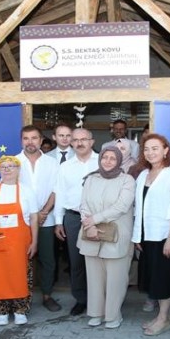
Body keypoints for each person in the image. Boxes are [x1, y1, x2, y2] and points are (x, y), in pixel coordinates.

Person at [133, 134, 170, 336]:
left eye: (155, 148)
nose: (150, 152)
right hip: (148, 236)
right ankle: (161, 316)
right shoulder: (142, 175)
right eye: (147, 148)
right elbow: (139, 208)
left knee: (164, 279)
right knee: (153, 279)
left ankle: (164, 319)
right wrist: (137, 237)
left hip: (167, 237)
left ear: (166, 150)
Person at [78, 146, 135, 329]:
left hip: (117, 235)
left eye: (112, 158)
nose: (108, 161)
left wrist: (94, 220)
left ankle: (113, 315)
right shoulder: (91, 179)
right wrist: (90, 225)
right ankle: (96, 313)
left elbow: (121, 206)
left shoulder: (127, 180)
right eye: (105, 157)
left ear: (119, 161)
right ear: (100, 159)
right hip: (91, 234)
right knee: (94, 278)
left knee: (116, 279)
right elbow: (84, 204)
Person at [0, 156, 39, 325]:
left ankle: (20, 309)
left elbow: (34, 218)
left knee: (20, 275)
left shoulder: (26, 191)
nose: (7, 169)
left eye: (11, 166)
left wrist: (34, 242)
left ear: (18, 170)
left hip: (20, 244)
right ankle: (0, 311)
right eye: (3, 166)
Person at [54, 128, 99, 316]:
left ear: (92, 141)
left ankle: (99, 300)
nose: (80, 143)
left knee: (98, 261)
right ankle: (81, 299)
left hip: (98, 218)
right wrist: (58, 221)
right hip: (72, 218)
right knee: (76, 261)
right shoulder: (65, 166)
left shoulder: (103, 162)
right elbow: (60, 194)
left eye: (84, 139)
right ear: (71, 143)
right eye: (76, 140)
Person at [17, 126, 62, 312]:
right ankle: (20, 296)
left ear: (41, 140)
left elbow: (57, 189)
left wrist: (43, 212)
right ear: (21, 141)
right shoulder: (14, 162)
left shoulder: (52, 163)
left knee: (47, 259)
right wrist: (31, 215)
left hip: (46, 218)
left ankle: (47, 295)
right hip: (21, 220)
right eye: (26, 138)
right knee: (20, 259)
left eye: (34, 138)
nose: (30, 142)